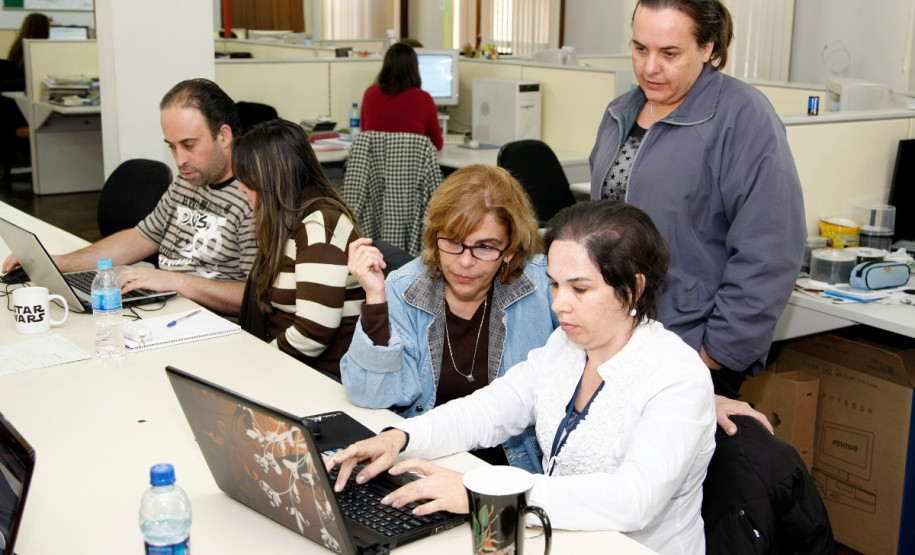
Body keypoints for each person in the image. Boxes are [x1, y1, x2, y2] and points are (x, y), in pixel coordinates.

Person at [327, 201, 717, 555]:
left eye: (579, 288)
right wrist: (401, 438)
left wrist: (482, 494)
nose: (559, 303)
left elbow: (635, 500)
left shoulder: (676, 377)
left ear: (633, 289)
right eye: (555, 284)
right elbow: (489, 409)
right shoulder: (564, 348)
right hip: (556, 537)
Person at [588, 0, 806, 434]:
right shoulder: (621, 112)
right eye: (639, 48)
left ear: (708, 47)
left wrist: (716, 356)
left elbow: (771, 251)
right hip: (616, 343)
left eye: (670, 53)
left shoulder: (743, 118)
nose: (650, 67)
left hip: (690, 345)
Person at [341, 164, 556, 473]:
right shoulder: (404, 289)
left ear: (510, 250)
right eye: (453, 242)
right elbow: (372, 395)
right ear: (434, 235)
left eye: (484, 247)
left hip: (513, 472)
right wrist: (376, 299)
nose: (464, 262)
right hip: (426, 460)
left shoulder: (546, 287)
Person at [1, 78, 256, 316]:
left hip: (208, 322)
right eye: (172, 146)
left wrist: (176, 282)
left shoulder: (254, 196)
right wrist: (61, 263)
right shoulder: (190, 179)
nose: (180, 160)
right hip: (164, 305)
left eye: (189, 145)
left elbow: (256, 297)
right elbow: (144, 236)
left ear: (223, 136)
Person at [233, 119, 365, 377]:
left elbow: (312, 334)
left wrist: (255, 365)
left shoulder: (320, 226)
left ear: (270, 179)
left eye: (247, 178)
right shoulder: (290, 218)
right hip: (295, 365)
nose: (240, 186)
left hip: (324, 376)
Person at [360, 41, 443, 151]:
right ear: (414, 68)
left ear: (386, 66)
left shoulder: (370, 95)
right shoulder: (424, 99)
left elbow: (365, 135)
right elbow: (437, 144)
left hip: (376, 167)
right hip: (412, 168)